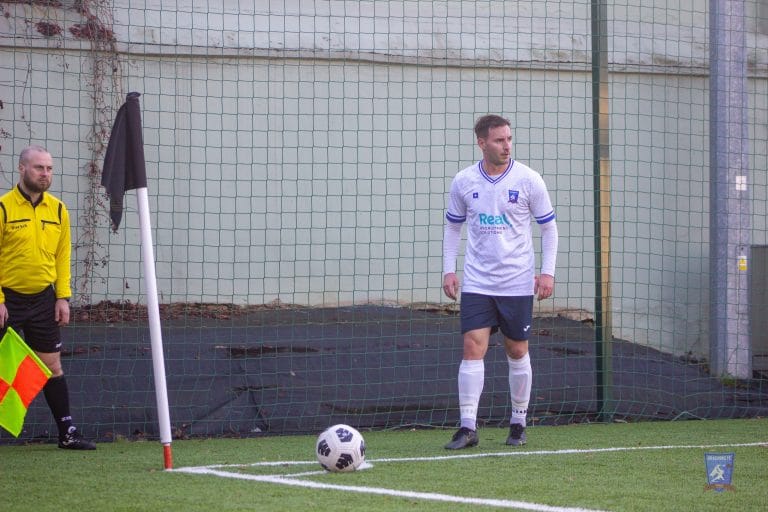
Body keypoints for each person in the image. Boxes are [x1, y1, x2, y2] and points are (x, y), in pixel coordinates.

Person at [442, 115, 558, 449]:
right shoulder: (464, 181)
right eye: (498, 140)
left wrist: (547, 272)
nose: (506, 146)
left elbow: (549, 228)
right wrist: (449, 270)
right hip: (478, 282)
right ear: (481, 142)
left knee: (516, 349)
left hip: (517, 282)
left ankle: (518, 423)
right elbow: (453, 227)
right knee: (471, 346)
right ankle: (467, 427)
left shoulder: (529, 180)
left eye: (509, 139)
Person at [0, 145, 95, 450]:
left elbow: (63, 256)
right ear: (21, 169)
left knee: (52, 366)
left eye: (49, 169)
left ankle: (67, 433)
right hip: (6, 300)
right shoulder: (3, 208)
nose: (45, 174)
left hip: (44, 300)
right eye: (39, 168)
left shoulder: (58, 210)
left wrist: (62, 297)